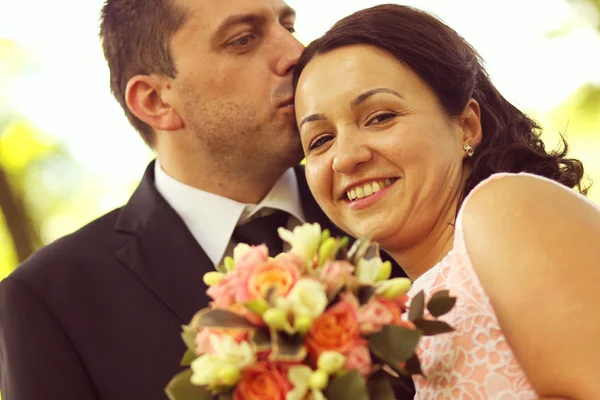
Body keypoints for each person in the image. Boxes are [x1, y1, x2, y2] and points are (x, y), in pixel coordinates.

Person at [0, 0, 414, 399]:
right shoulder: (50, 300)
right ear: (156, 101)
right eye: (243, 39)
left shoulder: (396, 198)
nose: (297, 53)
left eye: (287, 26)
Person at [293, 4, 600, 399]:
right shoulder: (398, 325)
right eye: (319, 141)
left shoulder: (503, 206)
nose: (345, 157)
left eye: (380, 117)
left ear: (467, 126)